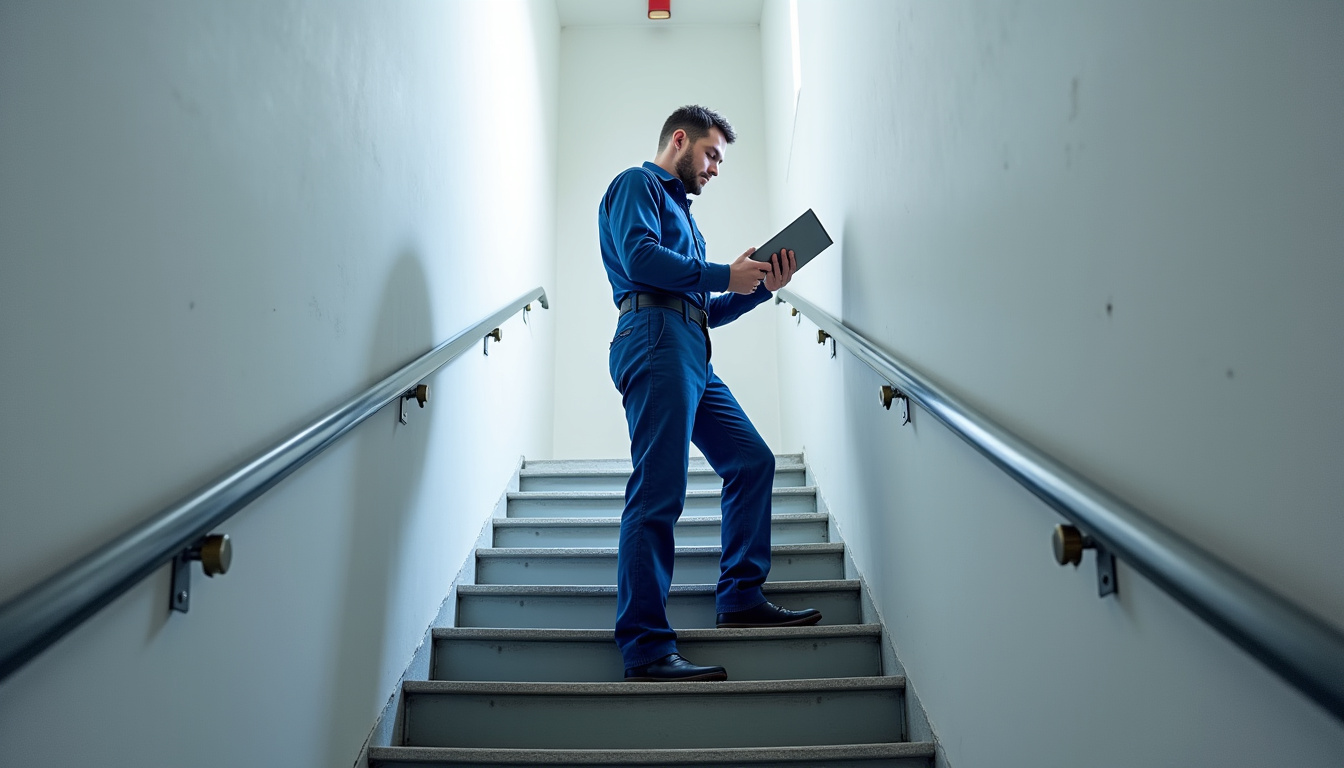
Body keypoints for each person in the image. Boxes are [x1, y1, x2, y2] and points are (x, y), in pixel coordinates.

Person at [599, 105, 821, 683]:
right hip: (654, 338)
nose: (716, 168)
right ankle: (645, 646)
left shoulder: (688, 221)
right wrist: (725, 272)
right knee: (659, 489)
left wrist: (758, 286)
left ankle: (741, 597)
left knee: (751, 461)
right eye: (712, 154)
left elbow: (705, 308)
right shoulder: (638, 184)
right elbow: (641, 259)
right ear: (680, 139)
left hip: (691, 348)